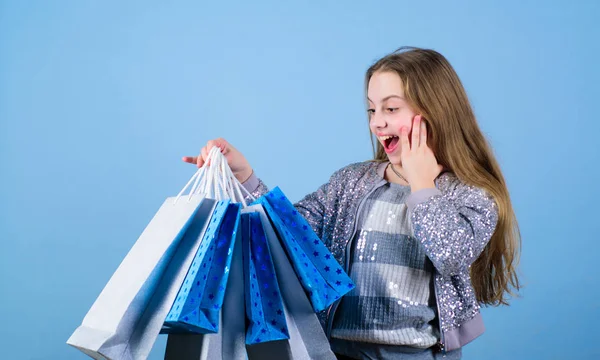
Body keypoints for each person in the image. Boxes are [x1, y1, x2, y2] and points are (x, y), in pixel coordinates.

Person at [183, 46, 521, 360]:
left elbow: (450, 253)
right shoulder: (351, 183)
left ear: (436, 112)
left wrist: (422, 183)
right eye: (372, 109)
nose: (377, 122)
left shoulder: (470, 193)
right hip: (338, 352)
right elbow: (288, 235)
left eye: (391, 108)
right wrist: (245, 177)